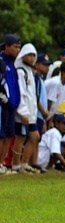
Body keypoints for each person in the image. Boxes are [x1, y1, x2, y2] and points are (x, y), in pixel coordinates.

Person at [14, 43, 40, 173]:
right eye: (29, 55)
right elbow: (21, 93)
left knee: (34, 137)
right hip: (23, 113)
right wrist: (23, 112)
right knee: (21, 138)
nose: (31, 58)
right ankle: (16, 165)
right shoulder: (21, 71)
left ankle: (24, 163)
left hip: (31, 113)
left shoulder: (30, 71)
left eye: (33, 55)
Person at [0, 34, 21, 175]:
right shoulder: (1, 62)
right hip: (3, 106)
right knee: (1, 136)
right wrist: (5, 100)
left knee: (9, 135)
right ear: (7, 46)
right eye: (15, 47)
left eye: (19, 47)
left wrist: (15, 102)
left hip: (12, 106)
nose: (18, 50)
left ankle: (2, 164)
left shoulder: (13, 65)